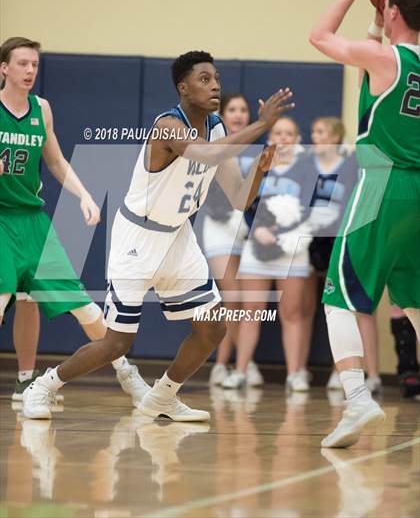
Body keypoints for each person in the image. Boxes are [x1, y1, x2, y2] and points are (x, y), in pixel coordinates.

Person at [22, 50, 294, 421]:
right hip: (138, 237)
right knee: (118, 342)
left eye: (217, 79)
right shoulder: (169, 125)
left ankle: (162, 397)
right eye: (204, 79)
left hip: (178, 237)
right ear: (183, 88)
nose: (215, 85)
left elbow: (238, 198)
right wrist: (261, 124)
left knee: (213, 326)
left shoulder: (216, 128)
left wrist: (259, 172)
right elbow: (206, 156)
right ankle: (44, 385)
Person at [0, 36, 150, 405]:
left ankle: (127, 375)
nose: (30, 70)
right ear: (4, 68)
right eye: (22, 63)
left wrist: (83, 195)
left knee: (83, 305)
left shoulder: (42, 110)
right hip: (1, 219)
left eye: (34, 64)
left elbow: (54, 160)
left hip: (33, 221)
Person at [309, 0, 420, 447]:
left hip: (381, 183)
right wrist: (378, 21)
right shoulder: (393, 60)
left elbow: (319, 36)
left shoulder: (383, 58)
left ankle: (357, 400)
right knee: (416, 304)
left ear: (392, 9)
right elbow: (367, 83)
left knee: (339, 297)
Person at [223, 116, 315, 391]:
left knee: (293, 312)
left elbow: (314, 208)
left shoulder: (309, 167)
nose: (283, 138)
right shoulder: (259, 165)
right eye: (278, 132)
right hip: (257, 246)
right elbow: (244, 203)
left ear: (297, 139)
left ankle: (295, 374)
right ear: (270, 137)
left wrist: (288, 236)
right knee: (252, 311)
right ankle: (240, 372)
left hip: (293, 249)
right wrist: (257, 229)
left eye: (289, 133)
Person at [306, 117, 382, 394]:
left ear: (337, 136)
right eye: (313, 131)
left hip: (348, 238)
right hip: (316, 243)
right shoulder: (307, 165)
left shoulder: (351, 163)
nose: (315, 136)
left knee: (359, 307)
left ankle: (372, 374)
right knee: (332, 308)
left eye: (321, 131)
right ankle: (341, 370)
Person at [202, 93, 263, 387]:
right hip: (218, 228)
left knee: (235, 301)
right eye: (233, 109)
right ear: (222, 114)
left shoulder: (257, 148)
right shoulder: (217, 146)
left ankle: (222, 364)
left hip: (248, 234)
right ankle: (245, 363)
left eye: (244, 109)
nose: (239, 114)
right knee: (234, 297)